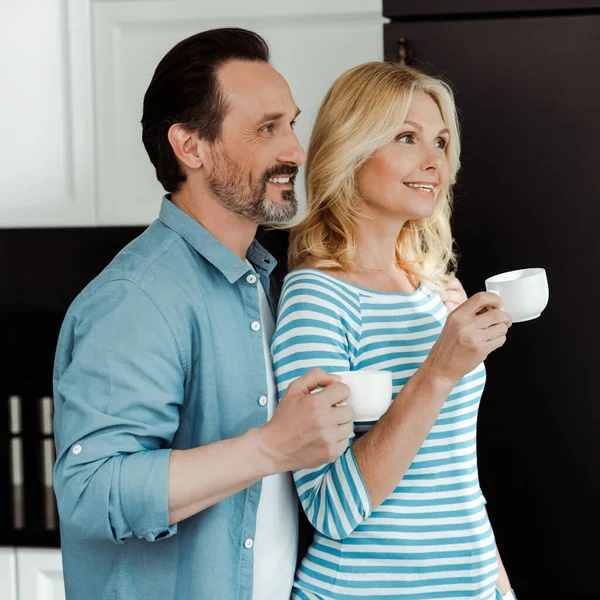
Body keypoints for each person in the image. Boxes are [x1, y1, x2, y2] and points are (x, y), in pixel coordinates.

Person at [52, 28, 356, 600]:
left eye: (291, 123)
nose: (294, 149)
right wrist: (272, 446)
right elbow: (91, 489)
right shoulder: (138, 298)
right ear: (190, 148)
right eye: (267, 128)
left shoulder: (259, 281)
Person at [271, 61, 517, 599]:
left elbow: (453, 477)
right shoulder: (317, 297)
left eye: (441, 141)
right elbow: (330, 508)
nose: (435, 161)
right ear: (351, 149)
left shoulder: (434, 291)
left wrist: (498, 586)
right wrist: (437, 371)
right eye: (408, 137)